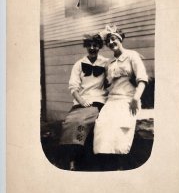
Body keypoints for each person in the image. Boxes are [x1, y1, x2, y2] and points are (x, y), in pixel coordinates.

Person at [93, 25, 148, 170]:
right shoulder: (109, 64)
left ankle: (120, 167)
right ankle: (107, 167)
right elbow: (106, 85)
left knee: (120, 133)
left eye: (113, 39)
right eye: (108, 41)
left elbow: (142, 79)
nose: (111, 43)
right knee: (102, 128)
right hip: (112, 101)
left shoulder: (132, 56)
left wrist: (136, 99)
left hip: (128, 100)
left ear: (120, 39)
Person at [59, 33, 108, 171]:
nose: (92, 48)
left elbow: (112, 81)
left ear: (99, 46)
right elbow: (73, 87)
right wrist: (81, 101)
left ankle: (86, 158)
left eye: (95, 45)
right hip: (81, 101)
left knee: (83, 122)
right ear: (86, 46)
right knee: (70, 122)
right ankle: (72, 157)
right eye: (89, 45)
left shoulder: (105, 63)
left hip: (98, 100)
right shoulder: (79, 64)